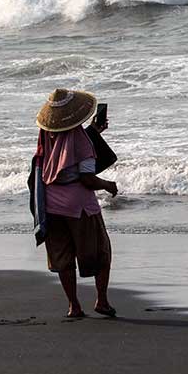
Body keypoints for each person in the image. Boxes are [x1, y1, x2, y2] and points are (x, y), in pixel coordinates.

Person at [33, 88, 119, 318]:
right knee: (101, 252)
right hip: (79, 206)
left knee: (63, 257)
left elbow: (57, 158)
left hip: (50, 204)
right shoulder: (80, 140)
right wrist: (108, 185)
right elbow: (87, 178)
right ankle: (101, 301)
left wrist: (95, 131)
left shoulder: (45, 136)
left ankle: (74, 305)